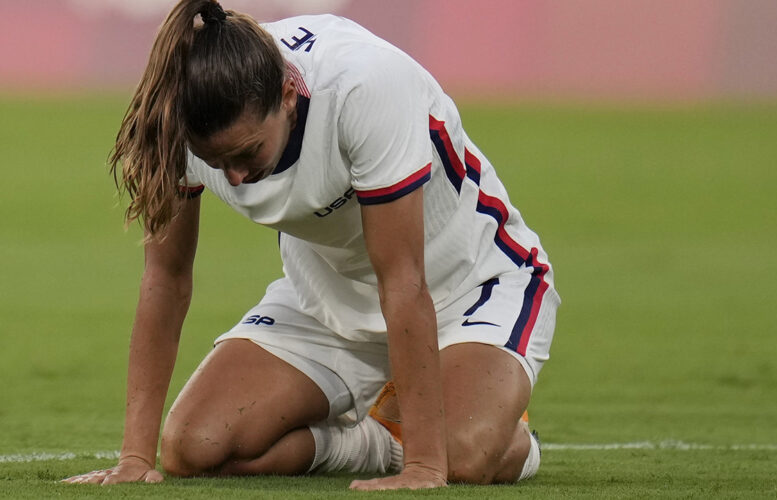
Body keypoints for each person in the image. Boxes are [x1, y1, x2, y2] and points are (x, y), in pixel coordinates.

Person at [63, 0, 560, 491]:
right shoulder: (176, 120)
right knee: (196, 447)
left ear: (287, 95)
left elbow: (403, 280)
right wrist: (134, 457)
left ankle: (494, 436)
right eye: (215, 162)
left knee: (464, 458)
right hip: (326, 297)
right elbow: (166, 280)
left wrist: (425, 468)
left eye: (246, 152)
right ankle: (374, 437)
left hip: (470, 284)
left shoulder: (363, 87)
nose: (235, 178)